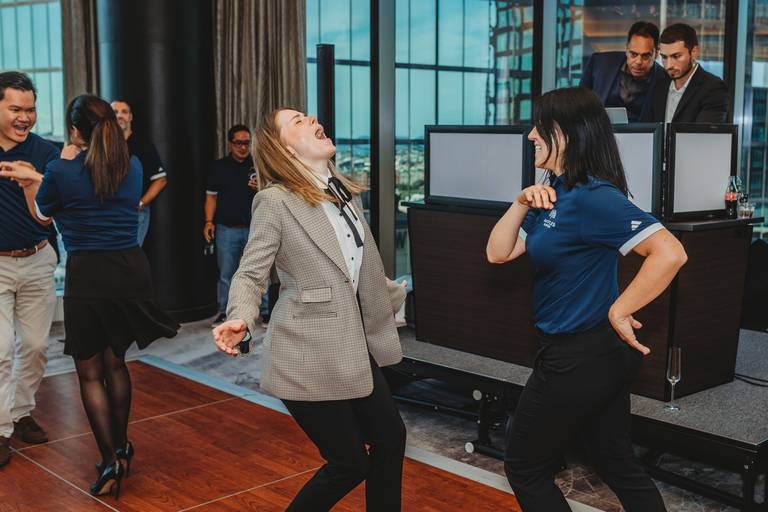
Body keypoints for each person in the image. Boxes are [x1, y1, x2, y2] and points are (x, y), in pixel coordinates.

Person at [487, 87, 687, 512]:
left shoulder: (595, 196)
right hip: (586, 354)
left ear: (564, 132)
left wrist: (621, 308)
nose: (530, 135)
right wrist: (521, 202)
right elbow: (498, 253)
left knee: (524, 467)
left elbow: (670, 253)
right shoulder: (556, 191)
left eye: (538, 127)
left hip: (580, 357)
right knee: (616, 461)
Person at [213, 109, 408, 511]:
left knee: (391, 438)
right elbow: (251, 273)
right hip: (305, 353)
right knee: (348, 464)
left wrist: (402, 297)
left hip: (353, 346)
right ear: (283, 147)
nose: (313, 118)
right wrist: (241, 317)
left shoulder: (344, 193)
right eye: (298, 121)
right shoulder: (274, 201)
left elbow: (358, 270)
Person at [0, 94, 178, 497]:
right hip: (131, 270)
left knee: (91, 372)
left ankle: (110, 460)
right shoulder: (131, 165)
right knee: (116, 364)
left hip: (90, 275)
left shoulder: (62, 170)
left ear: (75, 131)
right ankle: (123, 445)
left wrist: (34, 180)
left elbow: (42, 217)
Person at [0, 71, 59, 468]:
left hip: (38, 258)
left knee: (36, 347)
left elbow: (46, 217)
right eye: (15, 109)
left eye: (31, 109)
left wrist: (32, 182)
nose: (25, 117)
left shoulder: (46, 152)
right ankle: (1, 429)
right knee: (1, 350)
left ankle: (21, 411)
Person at [204, 125, 264, 326]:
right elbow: (211, 197)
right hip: (226, 229)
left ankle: (264, 311)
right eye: (238, 143)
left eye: (246, 143)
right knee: (226, 275)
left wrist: (260, 188)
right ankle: (224, 312)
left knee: (259, 273)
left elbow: (273, 193)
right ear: (230, 143)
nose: (243, 147)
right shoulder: (219, 167)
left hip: (255, 228)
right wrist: (208, 222)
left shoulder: (258, 165)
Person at [580, 21, 667, 122]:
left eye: (646, 56)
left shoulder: (664, 79)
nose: (638, 62)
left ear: (656, 54)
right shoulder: (599, 63)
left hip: (642, 132)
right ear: (626, 49)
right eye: (633, 54)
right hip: (599, 129)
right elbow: (579, 102)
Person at [111, 100, 167, 245]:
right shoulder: (105, 145)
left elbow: (161, 180)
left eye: (124, 112)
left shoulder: (143, 145)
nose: (119, 116)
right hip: (108, 212)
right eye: (115, 112)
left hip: (133, 214)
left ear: (130, 117)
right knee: (110, 256)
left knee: (130, 257)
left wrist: (141, 203)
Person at [652, 23, 729, 123]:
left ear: (694, 52)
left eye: (676, 56)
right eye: (664, 57)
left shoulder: (714, 88)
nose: (668, 65)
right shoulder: (659, 84)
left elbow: (704, 132)